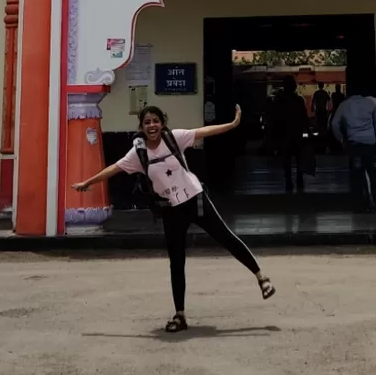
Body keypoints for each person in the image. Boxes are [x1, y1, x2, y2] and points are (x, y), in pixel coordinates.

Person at [74, 104, 274, 332]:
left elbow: (204, 132)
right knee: (176, 261)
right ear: (141, 126)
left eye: (156, 121)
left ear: (162, 123)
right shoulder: (138, 154)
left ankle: (261, 278)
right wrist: (88, 183)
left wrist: (232, 124)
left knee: (225, 237)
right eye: (147, 122)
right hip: (171, 209)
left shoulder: (174, 138)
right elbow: (114, 169)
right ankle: (180, 315)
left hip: (196, 200)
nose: (152, 126)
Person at [330, 82, 376, 211]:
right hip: (370, 144)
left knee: (358, 174)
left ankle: (362, 204)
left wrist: (341, 139)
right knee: (373, 173)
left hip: (354, 145)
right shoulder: (370, 103)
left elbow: (334, 124)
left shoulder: (344, 105)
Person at [264, 79, 310, 193]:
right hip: (296, 133)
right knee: (299, 158)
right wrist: (308, 131)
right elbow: (304, 117)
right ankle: (299, 178)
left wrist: (272, 135)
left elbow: (273, 118)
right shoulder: (298, 100)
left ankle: (288, 180)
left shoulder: (279, 101)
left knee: (286, 159)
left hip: (284, 134)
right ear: (294, 87)